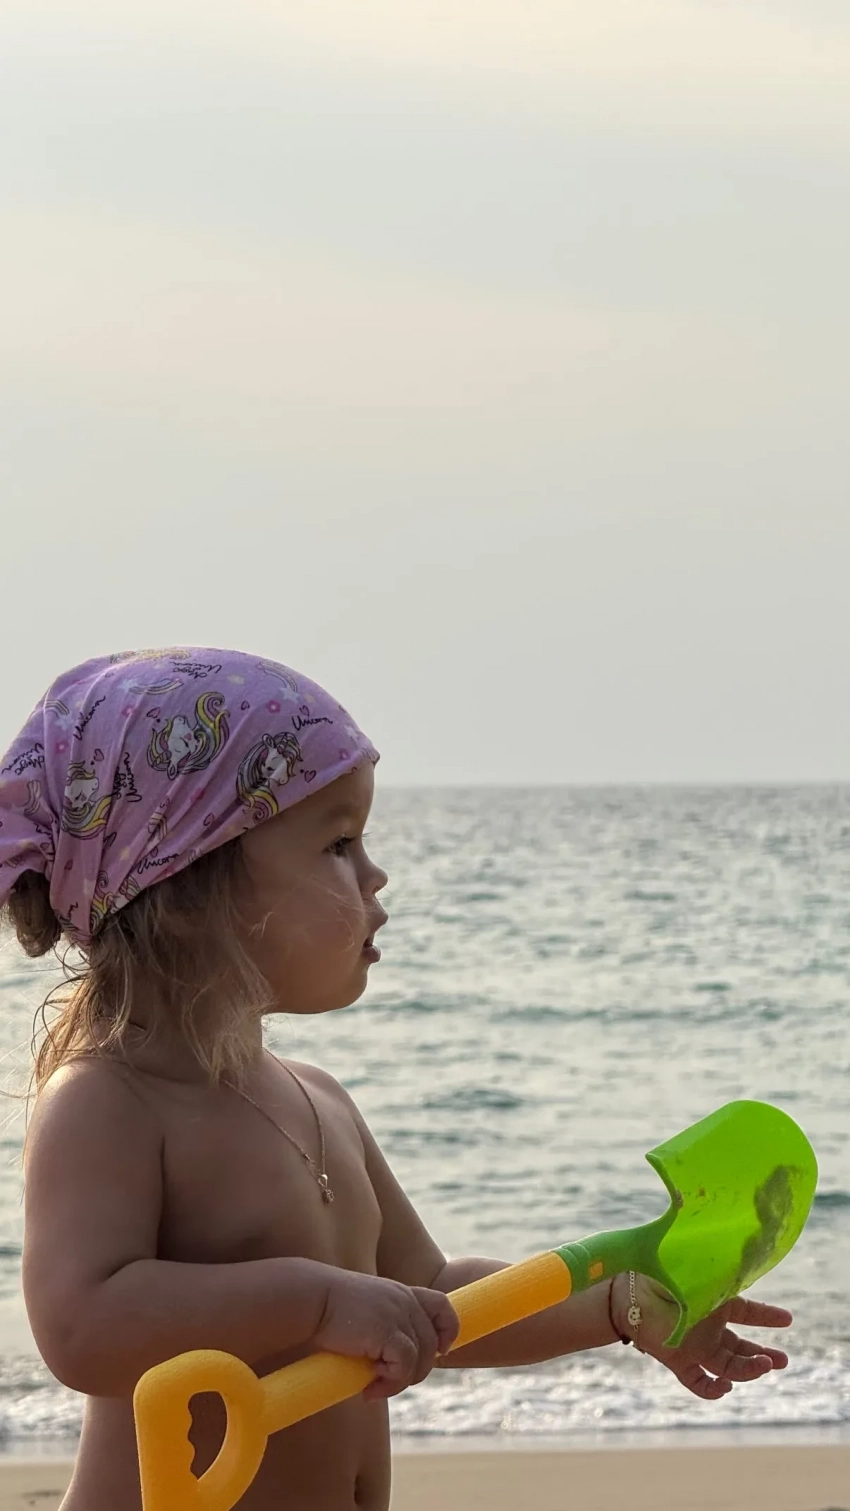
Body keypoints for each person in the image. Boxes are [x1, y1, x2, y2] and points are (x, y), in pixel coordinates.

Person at [0, 648, 791, 1511]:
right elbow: (82, 1322)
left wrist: (615, 1307)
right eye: (338, 844)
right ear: (192, 883)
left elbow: (433, 1294)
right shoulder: (109, 1099)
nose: (376, 877)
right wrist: (316, 1301)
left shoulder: (318, 1097)